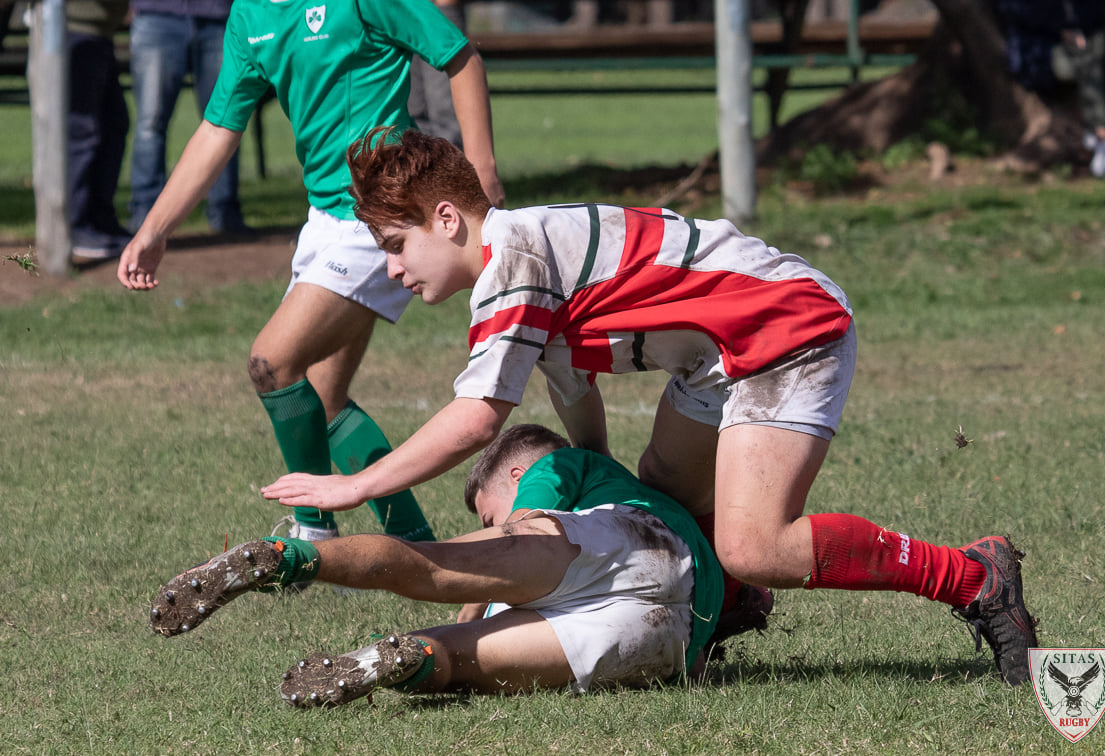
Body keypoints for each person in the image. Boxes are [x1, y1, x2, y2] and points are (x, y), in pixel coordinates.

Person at [260, 127, 1040, 687]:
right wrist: (596, 494)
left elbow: (478, 417)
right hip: (716, 356)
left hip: (783, 329)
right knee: (659, 481)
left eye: (395, 244)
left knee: (755, 544)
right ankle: (727, 601)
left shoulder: (514, 261)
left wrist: (351, 487)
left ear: (447, 219)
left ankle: (973, 577)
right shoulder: (526, 269)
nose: (391, 269)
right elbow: (581, 410)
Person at [117, 1, 506, 546]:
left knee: (272, 362)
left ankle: (313, 532)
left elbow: (459, 57)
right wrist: (155, 230)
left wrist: (480, 170)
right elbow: (217, 128)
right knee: (321, 403)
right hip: (323, 219)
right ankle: (416, 547)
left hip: (382, 218)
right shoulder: (249, 17)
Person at [149, 424, 729, 706]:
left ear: (517, 478)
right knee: (455, 661)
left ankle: (288, 557)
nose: (488, 525)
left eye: (486, 514)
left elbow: (479, 562)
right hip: (673, 638)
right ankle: (387, 657)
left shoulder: (553, 470)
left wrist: (476, 577)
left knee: (432, 566)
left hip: (635, 546)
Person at [127, 0, 248, 235]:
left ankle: (225, 211)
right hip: (157, 13)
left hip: (219, 15)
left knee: (227, 120)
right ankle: (144, 212)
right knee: (150, 123)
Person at [998, 0, 1105, 177]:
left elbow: (1095, 14)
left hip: (1083, 44)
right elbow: (1017, 11)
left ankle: (1100, 114)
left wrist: (1080, 31)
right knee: (1087, 60)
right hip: (1043, 50)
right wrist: (1060, 30)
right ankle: (1103, 139)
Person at [64, 1, 133, 261]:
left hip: (100, 32)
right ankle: (76, 225)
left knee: (114, 125)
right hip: (74, 30)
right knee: (82, 131)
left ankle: (101, 219)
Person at [408, 0, 465, 149]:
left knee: (445, 113)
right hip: (406, 13)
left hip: (441, 11)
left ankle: (450, 166)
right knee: (413, 110)